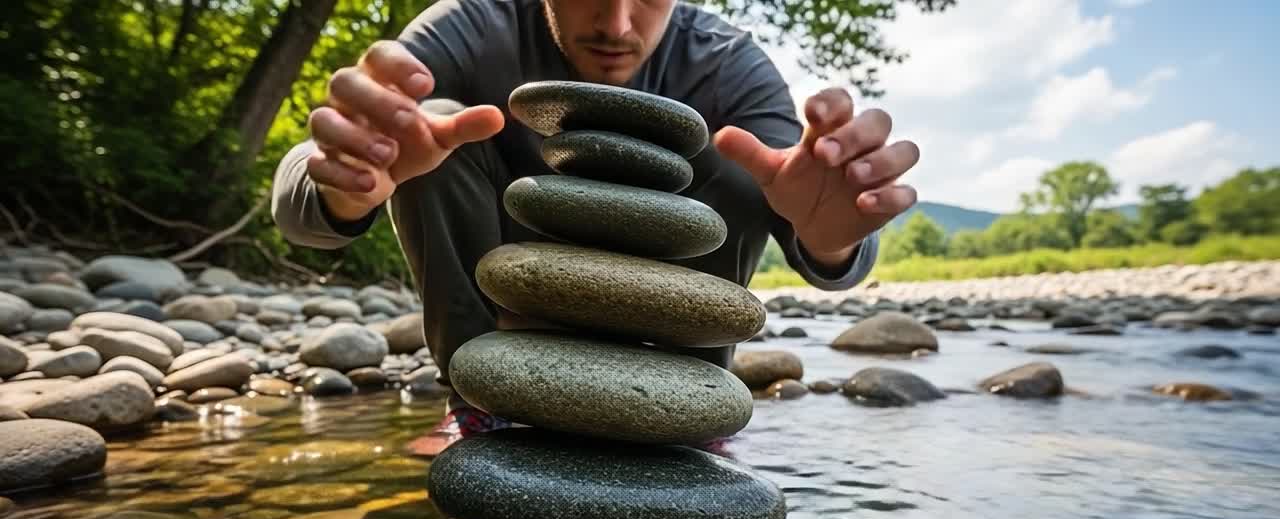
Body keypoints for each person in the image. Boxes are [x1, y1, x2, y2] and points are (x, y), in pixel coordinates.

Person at [270, 0, 921, 456]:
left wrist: (833, 236)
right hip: (507, 311)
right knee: (436, 123)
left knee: (752, 160)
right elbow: (301, 202)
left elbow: (830, 249)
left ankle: (688, 417)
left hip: (668, 330)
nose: (616, 23)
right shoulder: (470, 25)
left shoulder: (727, 62)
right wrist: (348, 184)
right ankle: (480, 398)